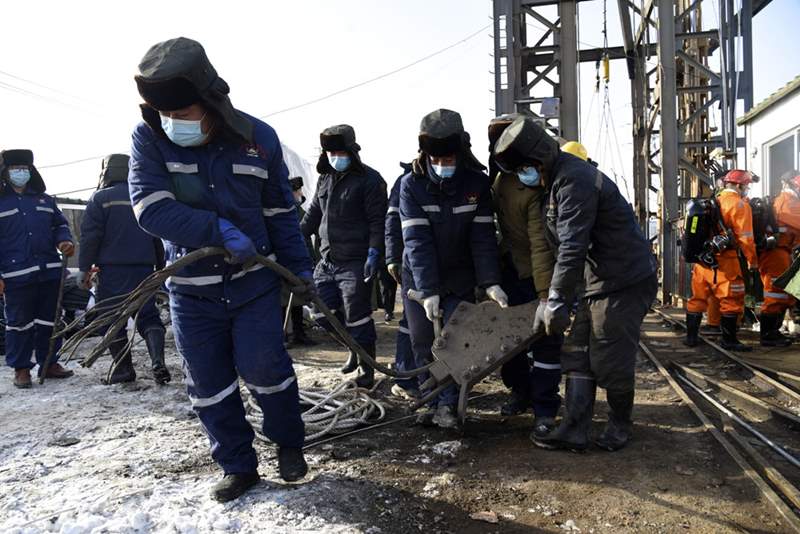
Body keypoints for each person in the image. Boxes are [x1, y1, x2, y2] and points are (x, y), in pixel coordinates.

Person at [129, 37, 312, 502]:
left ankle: (289, 444)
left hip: (253, 285)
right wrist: (216, 229)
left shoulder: (259, 138)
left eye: (184, 115)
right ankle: (237, 465)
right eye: (166, 116)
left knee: (267, 369)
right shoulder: (148, 137)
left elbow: (279, 214)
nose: (175, 126)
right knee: (208, 385)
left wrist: (299, 269)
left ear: (212, 102)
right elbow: (150, 208)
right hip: (192, 292)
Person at [493, 116, 657, 452]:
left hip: (622, 281)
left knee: (610, 356)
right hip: (596, 284)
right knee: (578, 353)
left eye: (525, 169)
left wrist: (553, 299)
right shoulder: (556, 180)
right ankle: (575, 427)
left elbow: (571, 245)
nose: (524, 178)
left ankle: (619, 425)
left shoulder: (574, 181)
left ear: (538, 159)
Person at [401, 109, 508, 428]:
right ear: (426, 154)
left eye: (450, 159)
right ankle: (428, 400)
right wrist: (427, 291)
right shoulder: (412, 185)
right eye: (438, 160)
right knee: (423, 340)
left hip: (460, 275)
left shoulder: (476, 183)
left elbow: (482, 237)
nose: (444, 166)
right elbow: (416, 241)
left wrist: (490, 281)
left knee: (455, 340)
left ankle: (448, 405)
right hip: (419, 278)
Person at [489, 116, 564, 438]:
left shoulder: (535, 185)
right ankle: (520, 391)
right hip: (512, 271)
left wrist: (546, 296)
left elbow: (540, 244)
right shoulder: (500, 179)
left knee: (546, 341)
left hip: (539, 273)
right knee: (512, 342)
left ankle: (545, 406)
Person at [301, 124, 388, 388]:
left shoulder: (370, 180)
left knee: (357, 317)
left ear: (351, 151)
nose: (334, 158)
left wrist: (375, 251)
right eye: (330, 153)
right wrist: (292, 238)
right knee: (320, 314)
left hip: (355, 261)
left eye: (339, 152)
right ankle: (353, 347)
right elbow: (313, 214)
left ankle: (367, 369)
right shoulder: (324, 179)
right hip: (326, 261)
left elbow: (377, 221)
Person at [79, 154, 170, 385]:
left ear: (106, 172)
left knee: (112, 319)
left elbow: (91, 237)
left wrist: (84, 268)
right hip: (144, 269)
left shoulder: (100, 199)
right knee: (148, 316)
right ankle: (158, 362)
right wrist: (159, 268)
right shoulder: (143, 196)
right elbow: (156, 236)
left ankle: (123, 370)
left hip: (112, 272)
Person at [0, 149, 75, 388]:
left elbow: (60, 225)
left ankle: (49, 363)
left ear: (31, 171)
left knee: (50, 321)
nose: (20, 173)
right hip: (15, 276)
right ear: (5, 172)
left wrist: (65, 240)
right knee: (19, 323)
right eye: (15, 169)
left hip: (49, 271)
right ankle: (21, 369)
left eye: (24, 168)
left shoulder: (44, 199)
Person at [685, 170, 758, 352]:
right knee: (731, 299)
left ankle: (691, 338)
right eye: (747, 186)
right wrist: (753, 261)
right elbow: (746, 238)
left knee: (697, 299)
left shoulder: (711, 202)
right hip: (726, 262)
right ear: (740, 186)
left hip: (703, 261)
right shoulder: (739, 205)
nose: (747, 189)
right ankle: (729, 340)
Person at [385, 162, 419, 399]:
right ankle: (406, 377)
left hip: (452, 267)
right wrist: (392, 258)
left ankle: (442, 380)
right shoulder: (406, 180)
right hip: (413, 262)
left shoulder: (468, 176)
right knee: (412, 322)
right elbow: (392, 222)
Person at [758, 171, 800, 346]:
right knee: (775, 294)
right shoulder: (787, 202)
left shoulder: (785, 201)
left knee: (783, 295)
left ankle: (774, 332)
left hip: (782, 252)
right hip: (776, 253)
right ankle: (768, 336)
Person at [283, 176, 316, 348]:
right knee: (284, 300)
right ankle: (288, 334)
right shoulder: (287, 209)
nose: (301, 194)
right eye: (298, 191)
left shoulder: (297, 209)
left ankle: (297, 333)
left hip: (299, 258)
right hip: (286, 260)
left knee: (297, 299)